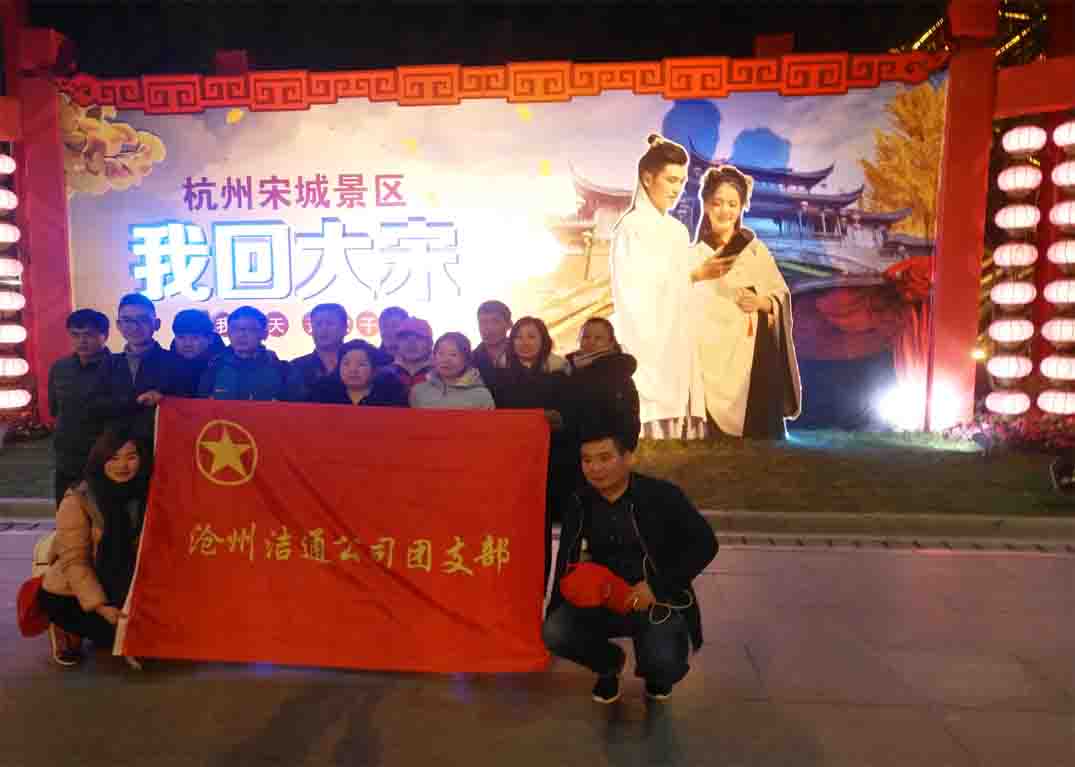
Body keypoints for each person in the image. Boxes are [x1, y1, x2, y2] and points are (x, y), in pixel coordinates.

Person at [543, 424, 717, 703]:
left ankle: (657, 673)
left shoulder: (662, 496)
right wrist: (555, 614)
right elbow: (566, 559)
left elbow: (706, 544)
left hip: (652, 602)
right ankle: (609, 665)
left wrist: (657, 587)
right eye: (587, 460)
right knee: (554, 631)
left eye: (605, 458)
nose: (595, 468)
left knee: (663, 662)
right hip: (599, 601)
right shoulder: (579, 502)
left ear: (628, 458)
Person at [690, 164, 802, 439]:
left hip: (752, 349)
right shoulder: (694, 254)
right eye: (717, 202)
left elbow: (780, 293)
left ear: (741, 207)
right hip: (707, 348)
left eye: (732, 204)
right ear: (706, 204)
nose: (724, 211)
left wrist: (761, 302)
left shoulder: (754, 250)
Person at [610, 133, 705, 440]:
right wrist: (688, 277)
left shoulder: (677, 230)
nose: (677, 189)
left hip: (676, 327)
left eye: (682, 182)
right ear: (648, 178)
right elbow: (630, 288)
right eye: (671, 180)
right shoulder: (630, 227)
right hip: (645, 329)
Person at [39, 428, 151, 666]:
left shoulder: (150, 494)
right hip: (75, 592)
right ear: (100, 459)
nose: (122, 466)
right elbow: (75, 561)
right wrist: (101, 607)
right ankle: (65, 630)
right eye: (113, 457)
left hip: (129, 587)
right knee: (109, 637)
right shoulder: (79, 498)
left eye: (131, 457)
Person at [47, 309, 116, 505]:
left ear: (105, 335)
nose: (81, 341)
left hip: (103, 457)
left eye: (89, 335)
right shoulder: (60, 368)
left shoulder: (118, 367)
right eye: (75, 335)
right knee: (66, 513)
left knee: (101, 515)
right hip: (66, 457)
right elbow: (55, 409)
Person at [110, 293, 190, 444]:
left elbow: (188, 408)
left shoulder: (177, 363)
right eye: (127, 321)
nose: (135, 327)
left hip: (162, 444)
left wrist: (164, 400)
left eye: (143, 320)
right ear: (119, 325)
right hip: (116, 448)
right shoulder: (108, 363)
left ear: (156, 324)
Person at [564, 317, 641, 452]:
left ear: (611, 343)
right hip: (571, 450)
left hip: (605, 451)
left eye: (598, 338)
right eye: (586, 337)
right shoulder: (567, 370)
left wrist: (626, 449)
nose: (591, 342)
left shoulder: (618, 373)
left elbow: (630, 418)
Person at [198, 306, 290, 400]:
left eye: (250, 329)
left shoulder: (281, 369)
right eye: (235, 329)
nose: (241, 335)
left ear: (264, 334)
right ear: (228, 333)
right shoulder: (214, 367)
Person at [308, 339, 408, 407]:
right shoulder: (323, 395)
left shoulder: (391, 397)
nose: (353, 370)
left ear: (374, 369)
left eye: (361, 364)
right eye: (346, 364)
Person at [410, 332, 495, 410]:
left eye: (453, 354)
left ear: (466, 359)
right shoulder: (418, 392)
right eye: (441, 353)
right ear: (434, 357)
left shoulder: (481, 395)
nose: (446, 360)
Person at [287, 302, 349, 401]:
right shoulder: (296, 367)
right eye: (318, 324)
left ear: (345, 328)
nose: (323, 329)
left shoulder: (360, 367)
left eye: (330, 324)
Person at [169, 308, 225, 394]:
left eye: (195, 338)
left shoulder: (224, 366)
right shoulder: (165, 365)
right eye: (181, 337)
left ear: (210, 339)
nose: (187, 344)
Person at [387, 317, 434, 392]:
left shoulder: (442, 374)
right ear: (397, 343)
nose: (411, 343)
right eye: (405, 338)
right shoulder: (385, 374)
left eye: (418, 338)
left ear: (430, 343)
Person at [472, 299, 512, 384]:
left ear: (509, 324)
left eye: (495, 321)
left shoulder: (523, 353)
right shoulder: (471, 360)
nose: (489, 328)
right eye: (483, 322)